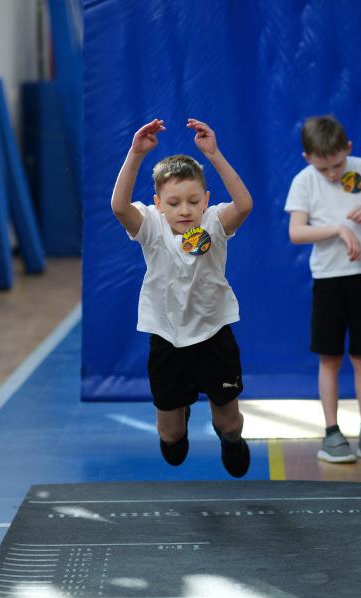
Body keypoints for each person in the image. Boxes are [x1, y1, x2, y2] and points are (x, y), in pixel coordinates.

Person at [111, 118, 253, 478]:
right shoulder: (150, 225)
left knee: (229, 424)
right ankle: (181, 414)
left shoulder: (215, 222)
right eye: (174, 203)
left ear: (206, 200)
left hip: (213, 335)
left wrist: (214, 154)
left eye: (193, 201)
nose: (185, 210)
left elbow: (244, 204)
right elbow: (119, 206)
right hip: (168, 338)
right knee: (171, 441)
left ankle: (231, 440)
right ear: (159, 204)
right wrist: (135, 154)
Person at [285, 114, 361, 464]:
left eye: (337, 165)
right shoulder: (304, 181)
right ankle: (331, 433)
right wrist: (338, 230)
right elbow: (296, 232)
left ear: (348, 148)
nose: (331, 174)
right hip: (328, 279)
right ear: (307, 158)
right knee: (329, 358)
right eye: (323, 168)